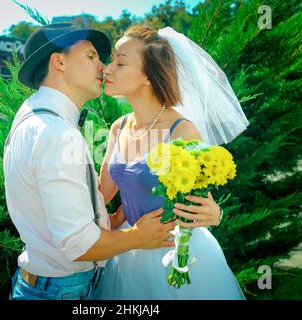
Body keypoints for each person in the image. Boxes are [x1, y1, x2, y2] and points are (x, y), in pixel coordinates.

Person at [4, 23, 180, 300]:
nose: (103, 67)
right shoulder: (56, 133)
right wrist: (137, 236)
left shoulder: (31, 116)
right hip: (61, 290)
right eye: (91, 57)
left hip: (45, 285)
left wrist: (112, 215)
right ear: (59, 62)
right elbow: (78, 244)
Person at [95, 25, 249, 299]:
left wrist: (216, 214)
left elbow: (202, 203)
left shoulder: (182, 131)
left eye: (120, 63)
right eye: (111, 61)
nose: (107, 69)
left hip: (176, 256)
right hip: (128, 253)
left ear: (147, 76)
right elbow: (99, 195)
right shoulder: (118, 127)